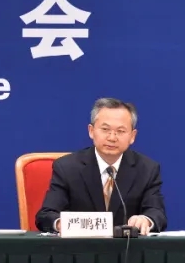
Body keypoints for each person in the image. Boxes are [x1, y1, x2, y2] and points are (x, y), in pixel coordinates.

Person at [35, 97, 166, 235]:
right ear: (91, 131)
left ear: (132, 136)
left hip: (127, 247)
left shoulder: (147, 169)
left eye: (121, 131)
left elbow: (157, 213)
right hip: (80, 246)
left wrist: (146, 220)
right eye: (105, 129)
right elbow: (46, 215)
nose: (112, 137)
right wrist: (61, 223)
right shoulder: (67, 168)